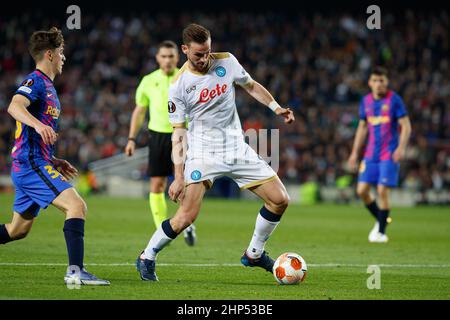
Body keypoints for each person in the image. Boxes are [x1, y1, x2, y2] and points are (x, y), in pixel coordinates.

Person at [136, 23, 295, 281]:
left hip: (236, 147)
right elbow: (178, 133)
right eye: (198, 54)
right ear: (185, 50)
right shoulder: (178, 86)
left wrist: (276, 107)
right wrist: (178, 176)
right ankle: (147, 256)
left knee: (280, 199)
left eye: (208, 52)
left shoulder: (227, 61)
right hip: (203, 153)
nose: (204, 59)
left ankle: (254, 253)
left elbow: (251, 85)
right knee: (186, 217)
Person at [0, 27, 109, 285]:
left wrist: (53, 159)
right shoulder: (35, 81)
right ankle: (75, 271)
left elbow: (35, 134)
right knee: (77, 206)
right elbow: (14, 106)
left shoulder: (48, 87)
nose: (64, 58)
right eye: (61, 52)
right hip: (30, 164)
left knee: (17, 230)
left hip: (36, 162)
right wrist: (38, 125)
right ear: (49, 54)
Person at [125, 41, 197, 246]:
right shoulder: (148, 81)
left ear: (177, 58)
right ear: (157, 58)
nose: (167, 60)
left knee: (184, 183)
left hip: (183, 135)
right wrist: (131, 139)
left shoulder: (186, 78)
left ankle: (186, 223)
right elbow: (139, 111)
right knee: (157, 184)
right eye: (163, 56)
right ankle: (161, 229)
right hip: (157, 136)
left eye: (171, 56)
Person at [348, 66, 412, 243]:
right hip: (370, 155)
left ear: (387, 82)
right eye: (375, 81)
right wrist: (354, 153)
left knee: (382, 190)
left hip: (388, 154)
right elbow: (362, 128)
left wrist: (401, 148)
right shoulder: (365, 101)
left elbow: (406, 125)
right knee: (361, 191)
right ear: (370, 83)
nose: (378, 84)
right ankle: (382, 219)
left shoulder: (394, 100)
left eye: (381, 81)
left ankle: (381, 232)